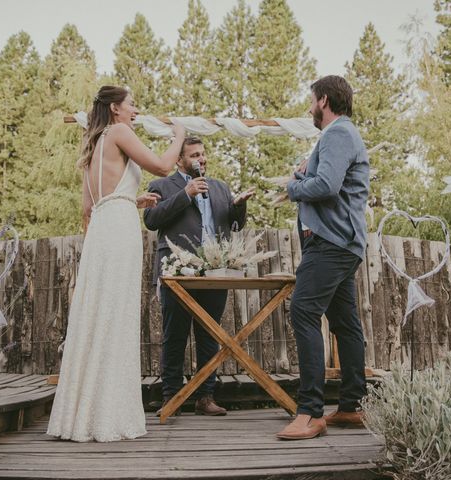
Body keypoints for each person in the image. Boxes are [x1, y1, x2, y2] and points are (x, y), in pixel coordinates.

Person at [47, 85, 186, 442]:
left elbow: (87, 209)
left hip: (101, 234)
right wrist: (180, 136)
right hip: (119, 233)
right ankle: (107, 414)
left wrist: (129, 200)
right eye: (131, 105)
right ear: (114, 109)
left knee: (96, 315)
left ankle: (80, 414)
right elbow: (163, 165)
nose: (136, 111)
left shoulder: (94, 144)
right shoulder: (120, 132)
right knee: (117, 315)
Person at [276, 75, 369, 440]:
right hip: (342, 243)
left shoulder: (337, 134)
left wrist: (294, 185)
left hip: (330, 243)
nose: (309, 107)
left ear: (325, 100)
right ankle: (350, 407)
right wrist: (307, 171)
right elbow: (330, 179)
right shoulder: (341, 136)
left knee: (303, 310)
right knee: (345, 324)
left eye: (311, 100)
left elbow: (327, 186)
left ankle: (311, 412)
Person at [143, 136, 254, 416]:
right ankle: (172, 397)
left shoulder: (219, 187)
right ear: (179, 159)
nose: (201, 159)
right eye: (194, 155)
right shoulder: (162, 185)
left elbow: (236, 224)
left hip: (215, 271)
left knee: (209, 335)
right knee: (175, 335)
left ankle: (205, 397)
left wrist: (239, 205)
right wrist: (186, 194)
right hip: (177, 272)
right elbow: (151, 220)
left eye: (202, 154)